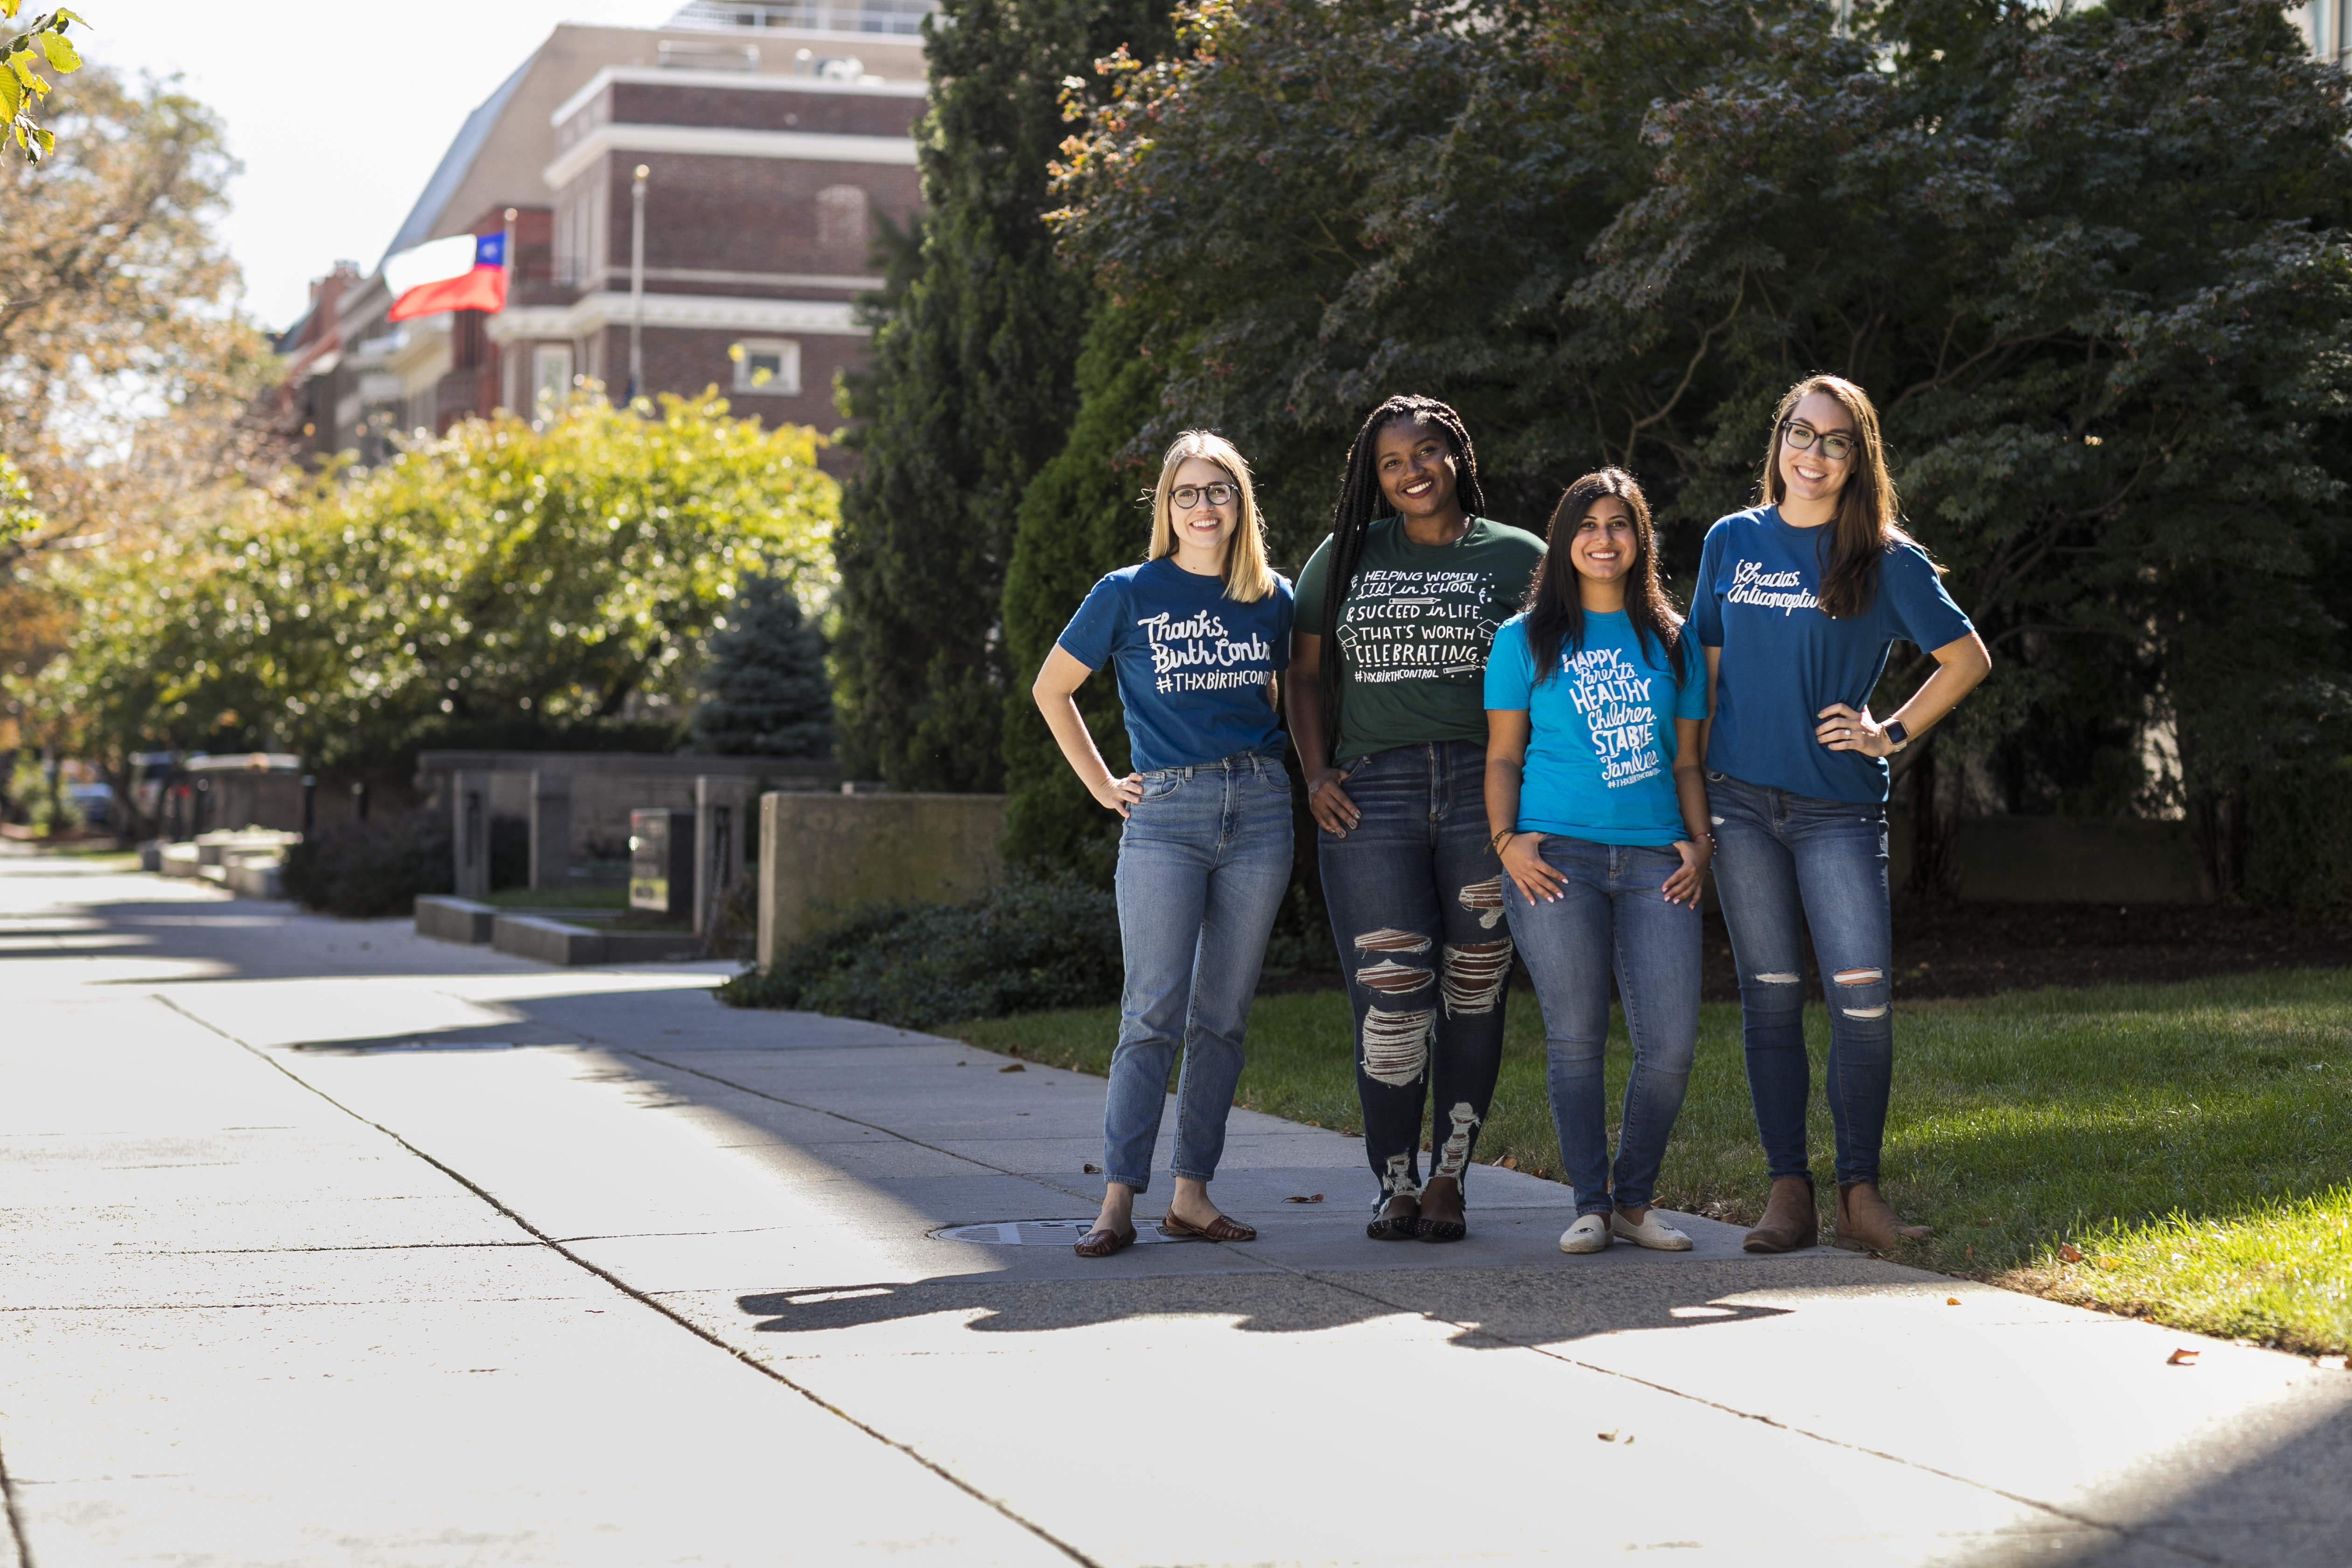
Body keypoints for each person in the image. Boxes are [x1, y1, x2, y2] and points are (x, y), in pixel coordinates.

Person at [1694, 374, 1992, 1254]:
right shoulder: (1731, 541)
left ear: (1858, 459)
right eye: (1799, 433)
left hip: (1838, 813)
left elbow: (1965, 658)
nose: (1812, 454)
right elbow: (1703, 681)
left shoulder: (1886, 558)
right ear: (1777, 440)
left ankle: (1863, 1192)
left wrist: (1886, 730)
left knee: (1861, 1004)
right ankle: (1790, 1191)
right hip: (1739, 804)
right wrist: (1688, 800)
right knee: (1771, 1000)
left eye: (1834, 441)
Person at [1288, 396, 1547, 1242]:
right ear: (1376, 475)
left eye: (1427, 453)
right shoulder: (1347, 554)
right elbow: (1302, 675)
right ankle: (1394, 1180)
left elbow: (1571, 669)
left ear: (1457, 456)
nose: (1412, 473)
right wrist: (1316, 768)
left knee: (1474, 992)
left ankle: (1451, 1178)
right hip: (1374, 797)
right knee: (1391, 997)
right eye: (1393, 463)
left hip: (1487, 793)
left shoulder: (1521, 558)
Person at [1034, 430, 1296, 1258]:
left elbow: (1301, 701)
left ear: (1240, 503)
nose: (1202, 506)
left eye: (1218, 490)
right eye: (1186, 492)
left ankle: (1192, 1197)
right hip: (1167, 819)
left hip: (1259, 809)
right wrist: (1102, 784)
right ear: (1166, 507)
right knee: (1151, 1013)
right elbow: (1053, 689)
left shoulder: (1274, 598)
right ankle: (1117, 1200)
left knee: (1221, 1019)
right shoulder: (1128, 592)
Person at [1484, 469, 1712, 1255]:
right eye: (1588, 523)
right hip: (1555, 860)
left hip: (1657, 861)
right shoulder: (1522, 641)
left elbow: (1687, 761)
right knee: (1576, 1037)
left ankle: (1634, 1201)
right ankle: (1589, 1201)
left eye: (1620, 524)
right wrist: (1507, 841)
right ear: (1565, 537)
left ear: (1639, 539)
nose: (1604, 538)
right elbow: (1505, 755)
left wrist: (1700, 841)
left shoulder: (1673, 641)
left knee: (1671, 1043)